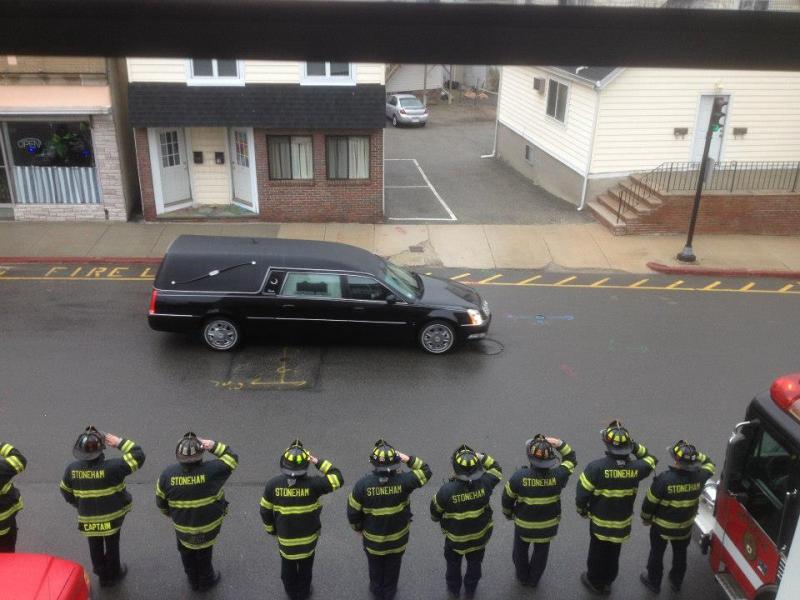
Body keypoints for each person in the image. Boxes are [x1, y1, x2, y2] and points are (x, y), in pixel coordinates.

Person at [576, 420, 657, 595]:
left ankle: (594, 581)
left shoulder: (595, 468)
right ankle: (607, 582)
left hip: (599, 522)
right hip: (622, 523)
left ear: (606, 444)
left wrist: (582, 510)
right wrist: (633, 446)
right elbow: (652, 459)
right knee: (614, 554)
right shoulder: (637, 468)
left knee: (597, 553)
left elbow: (582, 495)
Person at [347, 439, 432, 600]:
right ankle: (389, 591)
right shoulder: (405, 481)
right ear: (396, 462)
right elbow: (426, 470)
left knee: (375, 566)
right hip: (398, 539)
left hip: (372, 541)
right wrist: (406, 458)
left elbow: (352, 513)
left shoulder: (362, 485)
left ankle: (376, 589)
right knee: (393, 566)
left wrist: (358, 528)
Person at [60, 426, 145, 587]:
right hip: (113, 517)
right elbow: (138, 455)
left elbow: (65, 491)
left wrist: (79, 504)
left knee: (94, 544)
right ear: (101, 449)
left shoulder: (72, 469)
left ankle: (102, 575)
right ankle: (115, 572)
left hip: (88, 518)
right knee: (113, 543)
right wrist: (119, 442)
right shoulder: (114, 467)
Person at [260, 439, 343, 600]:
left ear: (283, 463)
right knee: (306, 568)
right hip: (308, 540)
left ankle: (291, 592)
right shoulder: (315, 484)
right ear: (306, 465)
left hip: (285, 540)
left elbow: (264, 510)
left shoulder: (272, 484)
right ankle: (304, 592)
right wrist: (317, 461)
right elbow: (338, 477)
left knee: (288, 567)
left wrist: (271, 529)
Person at [156, 432, 238, 591]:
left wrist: (170, 514)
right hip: (209, 528)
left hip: (183, 529)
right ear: (201, 454)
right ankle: (207, 580)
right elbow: (232, 457)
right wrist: (212, 444)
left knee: (186, 554)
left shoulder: (167, 475)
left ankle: (193, 581)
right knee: (205, 554)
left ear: (178, 455)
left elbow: (161, 502)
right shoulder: (214, 470)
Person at [640, 440, 715, 593]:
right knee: (680, 555)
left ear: (676, 460)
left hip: (661, 528)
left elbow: (649, 503)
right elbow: (709, 463)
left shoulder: (664, 480)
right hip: (685, 527)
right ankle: (676, 582)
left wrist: (646, 519)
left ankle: (654, 583)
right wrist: (694, 455)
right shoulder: (700, 477)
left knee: (656, 554)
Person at [502, 434, 577, 587]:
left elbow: (507, 499)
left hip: (523, 525)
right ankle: (534, 580)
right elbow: (571, 459)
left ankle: (522, 577)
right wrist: (559, 443)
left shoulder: (519, 477)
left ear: (530, 458)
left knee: (520, 552)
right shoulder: (559, 476)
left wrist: (508, 514)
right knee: (541, 553)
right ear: (551, 459)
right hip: (548, 526)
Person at [431, 444, 503, 599]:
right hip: (479, 537)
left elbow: (435, 514)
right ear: (478, 467)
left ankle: (454, 590)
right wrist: (481, 456)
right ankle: (470, 590)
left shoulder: (446, 491)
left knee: (453, 565)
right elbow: (497, 469)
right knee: (475, 564)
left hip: (455, 540)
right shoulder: (486, 483)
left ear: (456, 468)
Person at [0, 440, 27, 553]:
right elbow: (20, 460)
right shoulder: (2, 469)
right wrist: (1, 446)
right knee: (9, 561)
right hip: (5, 525)